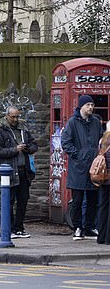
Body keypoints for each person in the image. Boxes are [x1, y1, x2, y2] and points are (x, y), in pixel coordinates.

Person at [61, 94, 103, 241]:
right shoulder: (72, 122)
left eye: (92, 105)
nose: (91, 107)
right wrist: (78, 155)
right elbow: (65, 142)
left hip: (94, 167)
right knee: (77, 200)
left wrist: (100, 156)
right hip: (78, 167)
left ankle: (90, 227)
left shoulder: (96, 122)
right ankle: (77, 228)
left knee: (93, 199)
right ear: (81, 106)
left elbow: (101, 141)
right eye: (88, 105)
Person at [0, 106, 38, 239]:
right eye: (13, 116)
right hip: (9, 171)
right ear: (7, 116)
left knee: (23, 200)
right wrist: (15, 149)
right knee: (9, 201)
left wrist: (28, 149)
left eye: (17, 116)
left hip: (24, 170)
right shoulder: (0, 131)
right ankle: (10, 228)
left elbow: (34, 145)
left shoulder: (23, 129)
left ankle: (19, 227)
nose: (15, 119)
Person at [97, 122, 110, 245]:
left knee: (103, 207)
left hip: (103, 177)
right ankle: (108, 239)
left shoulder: (102, 141)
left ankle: (101, 237)